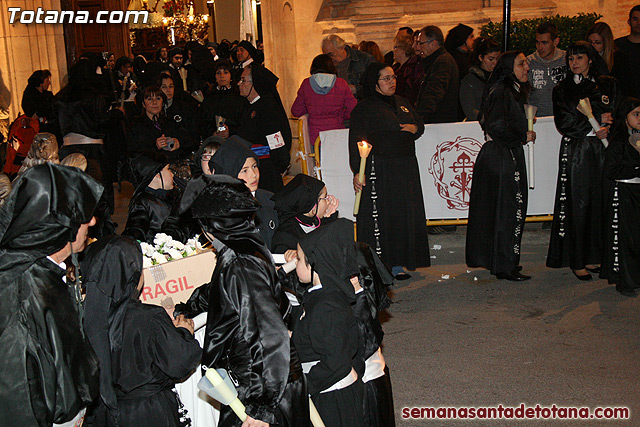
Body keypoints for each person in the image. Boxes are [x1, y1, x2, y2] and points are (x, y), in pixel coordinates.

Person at [175, 174, 310, 427]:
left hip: (262, 384)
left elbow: (267, 335)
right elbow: (222, 292)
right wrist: (188, 306)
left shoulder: (240, 262)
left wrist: (261, 409)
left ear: (211, 226)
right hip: (265, 380)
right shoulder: (245, 246)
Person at [0, 163, 103, 426]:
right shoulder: (19, 295)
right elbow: (20, 398)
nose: (92, 221)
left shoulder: (41, 270)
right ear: (58, 227)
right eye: (82, 215)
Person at [81, 235, 201, 426]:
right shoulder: (147, 317)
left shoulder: (83, 317)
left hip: (102, 415)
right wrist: (183, 332)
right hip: (149, 413)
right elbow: (180, 362)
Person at [349, 62, 429, 279]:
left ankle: (398, 263)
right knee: (384, 217)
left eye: (393, 77)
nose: (392, 82)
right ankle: (380, 264)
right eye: (386, 78)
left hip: (405, 168)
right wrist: (358, 170)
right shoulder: (365, 108)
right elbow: (356, 140)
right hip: (380, 169)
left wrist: (414, 128)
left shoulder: (401, 102)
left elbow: (418, 122)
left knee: (403, 215)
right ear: (375, 84)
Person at [546, 41, 618, 280]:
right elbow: (564, 123)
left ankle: (596, 256)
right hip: (579, 151)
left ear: (589, 59)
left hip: (604, 150)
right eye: (570, 59)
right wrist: (594, 121)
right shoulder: (562, 88)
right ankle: (577, 260)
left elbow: (618, 113)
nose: (574, 63)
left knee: (602, 203)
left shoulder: (608, 83)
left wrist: (608, 127)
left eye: (579, 58)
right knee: (579, 205)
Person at [465, 51, 535, 281]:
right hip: (502, 156)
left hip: (504, 154)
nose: (526, 67)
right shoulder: (502, 91)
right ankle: (504, 264)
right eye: (521, 64)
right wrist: (522, 136)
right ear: (508, 68)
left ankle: (504, 261)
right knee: (508, 210)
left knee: (506, 210)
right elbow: (496, 126)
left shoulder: (510, 91)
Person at [292, 219, 364, 427]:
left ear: (315, 264)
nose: (295, 263)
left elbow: (336, 362)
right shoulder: (323, 295)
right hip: (327, 391)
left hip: (331, 397)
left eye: (299, 259)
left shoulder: (326, 307)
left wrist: (300, 388)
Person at [599, 97, 640, 297]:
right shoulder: (619, 142)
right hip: (624, 193)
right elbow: (611, 170)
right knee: (625, 238)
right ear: (625, 118)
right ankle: (624, 279)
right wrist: (635, 169)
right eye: (636, 115)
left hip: (637, 192)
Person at [211, 136, 279, 250]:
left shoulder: (270, 200)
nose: (253, 174)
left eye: (254, 166)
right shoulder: (223, 211)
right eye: (244, 170)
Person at [236, 63, 292, 192]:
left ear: (255, 84)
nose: (239, 83)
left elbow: (276, 142)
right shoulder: (248, 106)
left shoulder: (267, 108)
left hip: (266, 173)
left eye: (243, 80)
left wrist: (279, 167)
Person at [291, 54, 357, 145]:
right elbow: (353, 109)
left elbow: (296, 111)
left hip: (316, 137)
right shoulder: (341, 84)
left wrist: (310, 110)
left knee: (319, 159)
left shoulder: (306, 84)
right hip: (337, 134)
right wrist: (341, 115)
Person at [122, 153, 188, 243]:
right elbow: (135, 232)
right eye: (168, 169)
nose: (172, 174)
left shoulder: (173, 196)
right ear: (157, 174)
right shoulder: (143, 202)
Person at [127, 85, 191, 162]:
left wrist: (178, 142)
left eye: (158, 98)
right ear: (143, 104)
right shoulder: (136, 126)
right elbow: (134, 153)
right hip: (150, 169)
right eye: (149, 99)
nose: (154, 102)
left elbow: (189, 140)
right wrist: (155, 146)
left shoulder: (169, 122)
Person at [413, 25, 460, 124]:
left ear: (433, 43)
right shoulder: (438, 60)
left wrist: (419, 119)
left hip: (439, 123)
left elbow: (434, 93)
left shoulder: (443, 62)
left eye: (420, 43)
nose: (416, 47)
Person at [526, 22, 567, 117]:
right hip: (538, 119)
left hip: (563, 118)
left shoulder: (566, 60)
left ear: (555, 42)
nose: (540, 47)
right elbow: (525, 95)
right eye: (537, 42)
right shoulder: (529, 63)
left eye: (544, 43)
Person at [199, 59, 248, 138]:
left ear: (231, 76)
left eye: (225, 72)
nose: (222, 76)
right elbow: (202, 123)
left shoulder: (240, 98)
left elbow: (246, 125)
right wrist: (213, 133)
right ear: (215, 77)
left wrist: (231, 132)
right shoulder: (209, 99)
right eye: (218, 73)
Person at [459, 38, 500, 121]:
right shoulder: (470, 80)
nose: (495, 63)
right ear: (481, 57)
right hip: (477, 126)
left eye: (497, 59)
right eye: (491, 59)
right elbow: (469, 109)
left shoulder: (501, 78)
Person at [587, 22, 632, 96]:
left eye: (597, 43)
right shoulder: (586, 59)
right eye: (590, 42)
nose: (593, 46)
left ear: (606, 43)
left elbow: (625, 88)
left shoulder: (619, 59)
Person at [391, 33, 424, 107]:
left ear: (403, 49)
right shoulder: (395, 67)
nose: (393, 51)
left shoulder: (411, 68)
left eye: (396, 47)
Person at [615, 5, 640, 98]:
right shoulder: (617, 46)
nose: (639, 23)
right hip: (624, 100)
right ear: (629, 22)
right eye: (635, 19)